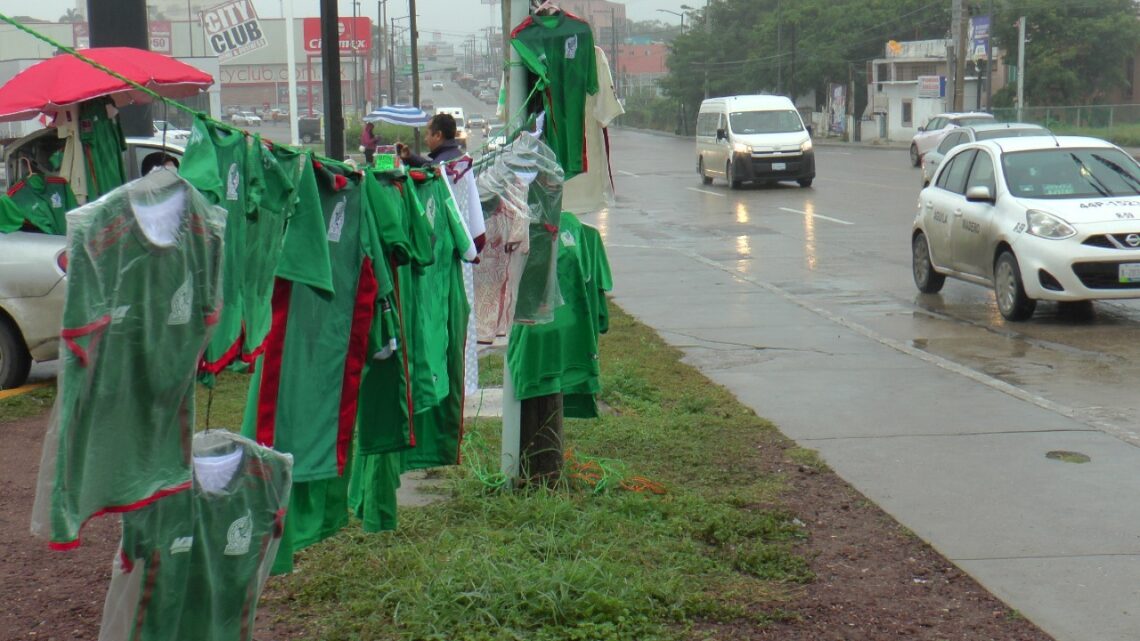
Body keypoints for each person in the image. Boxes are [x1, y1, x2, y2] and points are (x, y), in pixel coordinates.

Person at [396, 113, 463, 167]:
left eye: (427, 133)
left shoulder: (439, 167)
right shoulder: (458, 155)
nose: (425, 139)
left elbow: (431, 167)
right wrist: (409, 157)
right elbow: (429, 165)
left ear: (438, 135)